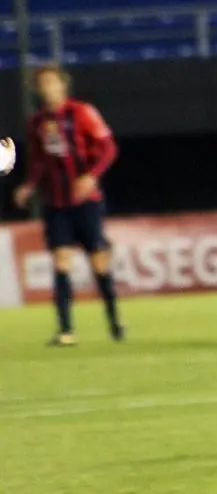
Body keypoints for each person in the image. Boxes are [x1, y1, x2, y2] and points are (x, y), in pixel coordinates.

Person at [13, 64, 122, 347]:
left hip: (86, 202)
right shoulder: (36, 122)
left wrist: (91, 176)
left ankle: (114, 319)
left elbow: (108, 147)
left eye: (52, 82)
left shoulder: (82, 112)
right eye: (42, 84)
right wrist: (29, 186)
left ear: (63, 84)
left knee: (99, 262)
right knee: (61, 262)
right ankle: (66, 330)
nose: (47, 88)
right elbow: (38, 161)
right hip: (56, 204)